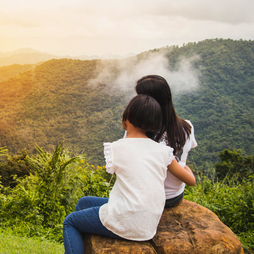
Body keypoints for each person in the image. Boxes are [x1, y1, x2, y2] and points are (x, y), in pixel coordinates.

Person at [63, 95, 195, 254]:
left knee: (70, 222)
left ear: (126, 117)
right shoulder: (162, 151)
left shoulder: (117, 148)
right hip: (149, 223)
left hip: (127, 221)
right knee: (84, 202)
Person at [135, 75, 198, 208]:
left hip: (151, 199)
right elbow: (183, 160)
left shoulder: (139, 132)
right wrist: (185, 168)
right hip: (175, 196)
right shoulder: (187, 127)